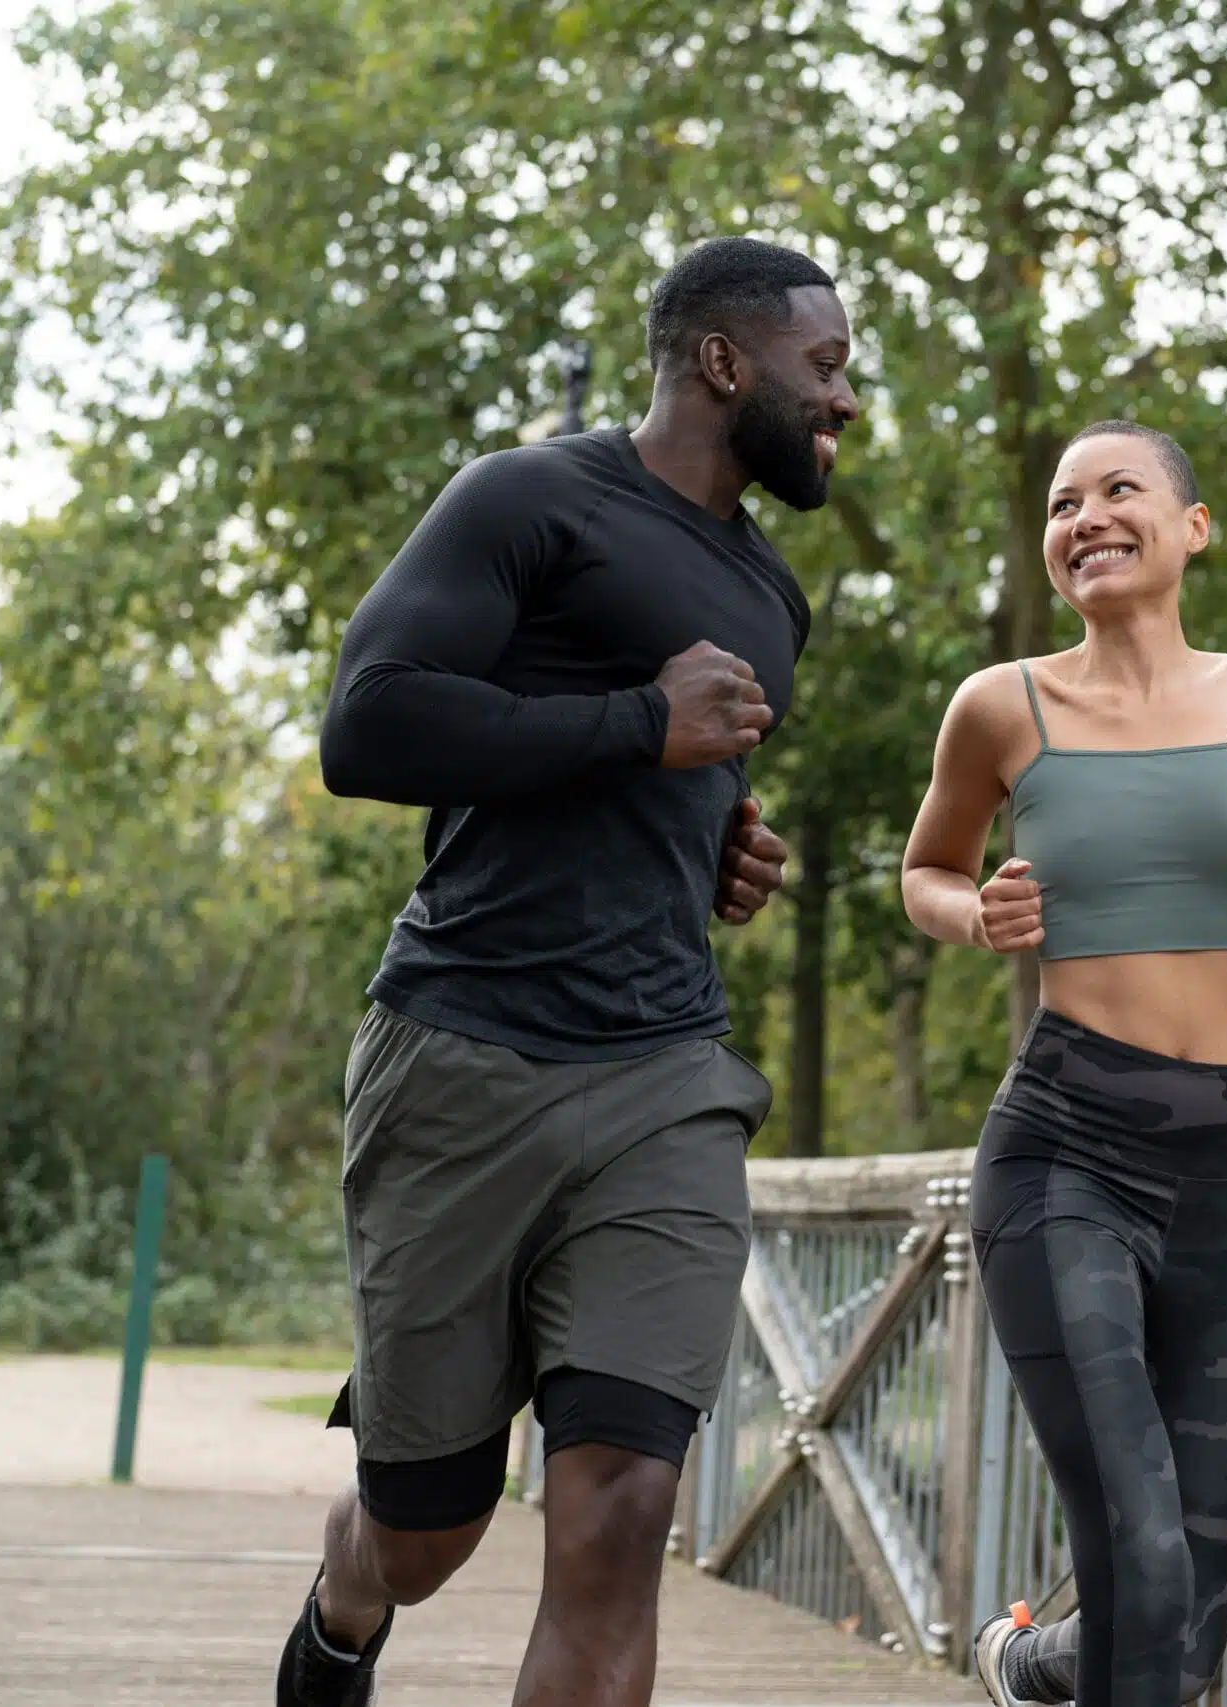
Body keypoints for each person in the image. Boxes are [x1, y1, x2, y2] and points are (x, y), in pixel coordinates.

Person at [277, 236, 862, 1707]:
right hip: (463, 1046)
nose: (847, 399)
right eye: (828, 365)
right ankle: (351, 1591)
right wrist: (633, 729)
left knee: (618, 1509)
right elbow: (372, 727)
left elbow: (676, 779)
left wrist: (726, 849)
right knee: (428, 1525)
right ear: (726, 362)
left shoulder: (774, 594)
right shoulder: (528, 496)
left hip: (664, 1072)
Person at [898, 421, 1227, 1707]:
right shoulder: (1001, 706)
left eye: (1122, 490)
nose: (1087, 517)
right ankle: (1055, 1659)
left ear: (1193, 526)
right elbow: (926, 870)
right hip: (1068, 1147)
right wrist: (973, 915)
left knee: (1186, 1597)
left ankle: (1039, 1665)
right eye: (1064, 503)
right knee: (1145, 1554)